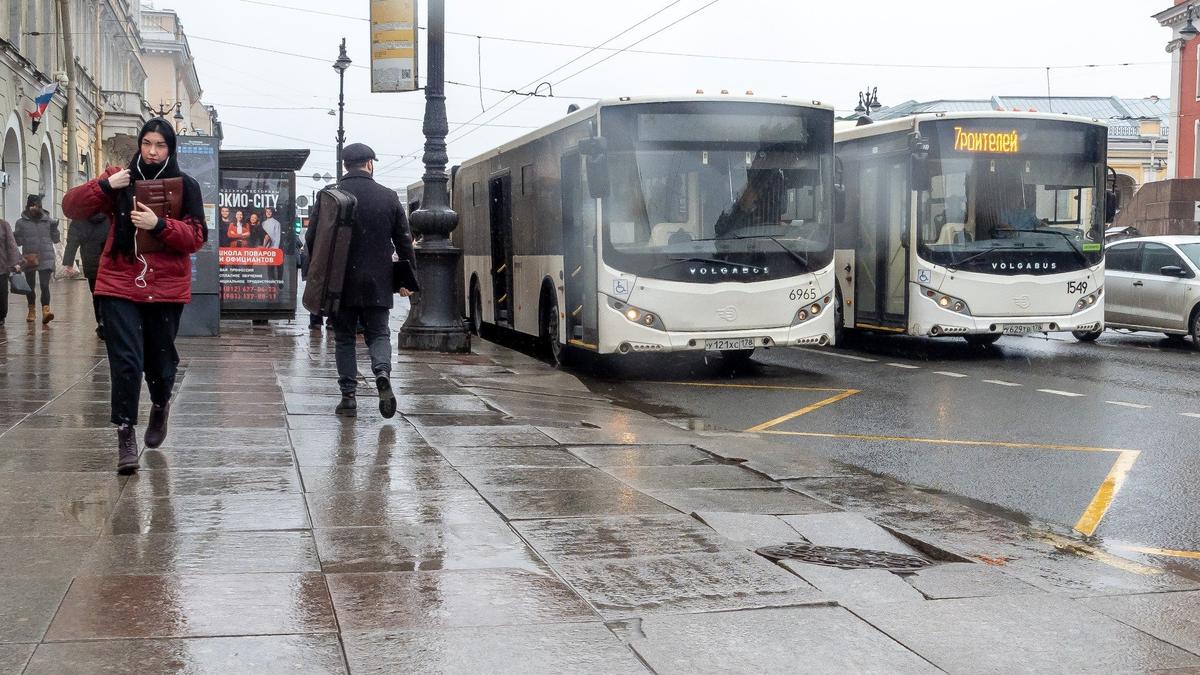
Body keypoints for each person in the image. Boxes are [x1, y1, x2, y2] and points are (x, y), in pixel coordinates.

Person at [62, 118, 207, 475]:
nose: (153, 152)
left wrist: (159, 226)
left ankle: (160, 404)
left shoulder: (186, 186)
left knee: (160, 360)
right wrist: (104, 186)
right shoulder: (119, 178)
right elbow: (72, 208)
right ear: (139, 145)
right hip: (120, 281)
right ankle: (125, 433)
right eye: (147, 144)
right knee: (125, 360)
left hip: (166, 286)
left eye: (160, 145)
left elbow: (197, 237)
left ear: (170, 149)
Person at [304, 142, 415, 418]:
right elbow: (403, 242)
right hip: (378, 281)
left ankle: (349, 397)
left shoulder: (329, 196)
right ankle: (382, 372)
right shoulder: (388, 197)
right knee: (379, 333)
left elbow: (312, 239)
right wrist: (407, 280)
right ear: (369, 164)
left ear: (345, 166)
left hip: (339, 283)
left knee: (343, 338)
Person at [63, 212, 111, 338]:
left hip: (90, 262)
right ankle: (108, 321)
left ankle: (101, 321)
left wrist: (68, 263)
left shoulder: (79, 219)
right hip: (109, 263)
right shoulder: (110, 216)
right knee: (109, 293)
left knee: (96, 294)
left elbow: (72, 241)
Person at [14, 194, 60, 324]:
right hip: (30, 258)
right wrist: (15, 236)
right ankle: (31, 310)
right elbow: (18, 242)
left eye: (37, 205)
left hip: (46, 257)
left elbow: (56, 239)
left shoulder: (49, 221)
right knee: (30, 286)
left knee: (45, 285)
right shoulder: (21, 222)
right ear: (28, 206)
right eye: (32, 205)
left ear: (41, 206)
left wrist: (55, 229)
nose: (35, 208)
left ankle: (46, 311)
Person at [0, 218, 24, 324]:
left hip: (1, 265)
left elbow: (11, 245)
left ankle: (1, 315)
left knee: (1, 292)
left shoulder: (4, 225)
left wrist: (15, 263)